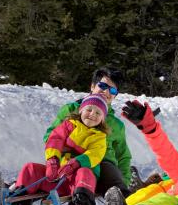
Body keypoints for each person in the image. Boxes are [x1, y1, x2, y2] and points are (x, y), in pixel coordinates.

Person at [10, 95, 109, 205]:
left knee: (85, 172)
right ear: (81, 110)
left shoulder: (100, 137)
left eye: (98, 113)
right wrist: (52, 160)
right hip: (56, 176)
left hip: (77, 183)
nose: (92, 114)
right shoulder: (67, 126)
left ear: (102, 119)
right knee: (31, 168)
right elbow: (54, 140)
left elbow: (95, 154)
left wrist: (76, 163)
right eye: (89, 109)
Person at [44, 66, 132, 197]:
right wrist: (57, 157)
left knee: (112, 177)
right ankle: (16, 191)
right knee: (45, 175)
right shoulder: (71, 110)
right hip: (69, 161)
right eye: (102, 85)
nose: (106, 91)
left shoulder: (115, 125)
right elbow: (51, 136)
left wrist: (124, 182)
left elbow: (123, 156)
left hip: (103, 167)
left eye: (112, 90)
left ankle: (125, 202)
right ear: (92, 86)